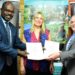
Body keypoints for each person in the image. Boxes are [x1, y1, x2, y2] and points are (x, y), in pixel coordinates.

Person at [0, 1, 26, 75]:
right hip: (1, 64)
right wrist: (18, 52)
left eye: (12, 12)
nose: (10, 14)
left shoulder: (13, 28)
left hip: (12, 64)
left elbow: (18, 43)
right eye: (7, 10)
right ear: (1, 10)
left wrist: (33, 47)